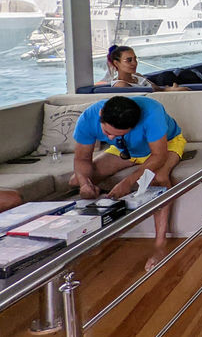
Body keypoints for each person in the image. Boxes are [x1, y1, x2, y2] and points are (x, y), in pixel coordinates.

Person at [69, 95, 187, 271]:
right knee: (75, 180)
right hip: (125, 149)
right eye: (107, 132)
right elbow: (82, 158)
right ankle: (96, 235)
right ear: (101, 114)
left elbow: (159, 156)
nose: (108, 136)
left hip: (165, 146)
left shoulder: (152, 113)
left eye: (116, 134)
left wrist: (129, 181)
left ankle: (160, 245)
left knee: (159, 179)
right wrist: (85, 182)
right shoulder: (89, 117)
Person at [106, 45, 187, 91]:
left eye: (135, 59)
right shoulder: (121, 85)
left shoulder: (138, 76)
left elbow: (158, 89)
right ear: (116, 63)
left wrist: (172, 89)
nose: (134, 63)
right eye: (129, 60)